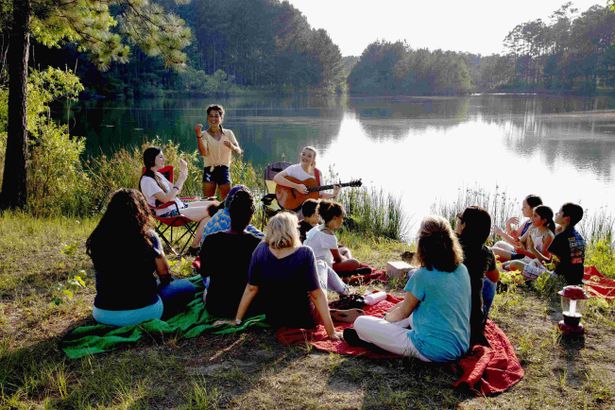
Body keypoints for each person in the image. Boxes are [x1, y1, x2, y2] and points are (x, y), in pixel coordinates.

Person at [346, 216, 471, 362]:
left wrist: (385, 319)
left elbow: (403, 313)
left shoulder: (423, 275)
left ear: (423, 245)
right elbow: (408, 307)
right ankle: (379, 336)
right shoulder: (462, 269)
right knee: (409, 312)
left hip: (432, 350)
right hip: (461, 345)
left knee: (360, 322)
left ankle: (372, 339)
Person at [86, 189, 196, 327]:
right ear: (141, 210)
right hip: (144, 313)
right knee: (188, 287)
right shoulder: (147, 237)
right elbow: (164, 273)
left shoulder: (98, 237)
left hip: (103, 314)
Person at [232, 212, 342, 340]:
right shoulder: (304, 253)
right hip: (303, 319)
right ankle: (344, 290)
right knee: (322, 266)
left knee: (320, 266)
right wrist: (331, 333)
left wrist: (238, 319)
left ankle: (342, 291)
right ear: (292, 230)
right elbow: (316, 295)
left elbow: (251, 288)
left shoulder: (260, 250)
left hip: (275, 319)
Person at [139, 147, 218, 256]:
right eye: (161, 157)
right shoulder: (147, 180)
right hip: (169, 213)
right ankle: (194, 248)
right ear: (152, 160)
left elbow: (176, 190)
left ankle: (200, 245)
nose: (164, 159)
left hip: (177, 206)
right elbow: (166, 199)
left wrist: (183, 174)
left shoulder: (158, 175)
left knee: (216, 204)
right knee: (213, 211)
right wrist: (180, 178)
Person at [199, 190, 262, 318]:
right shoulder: (257, 244)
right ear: (251, 217)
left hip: (217, 306)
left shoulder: (211, 240)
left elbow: (204, 272)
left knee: (206, 291)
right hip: (250, 308)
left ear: (230, 214)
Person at [455, 206, 499, 345]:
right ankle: (482, 313)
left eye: (459, 219)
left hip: (448, 312)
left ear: (464, 225)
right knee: (490, 281)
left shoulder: (448, 245)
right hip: (472, 321)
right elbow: (495, 278)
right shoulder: (487, 252)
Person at [195, 104, 242, 200]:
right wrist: (198, 136)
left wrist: (232, 146)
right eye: (211, 116)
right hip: (209, 169)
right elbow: (203, 153)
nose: (213, 118)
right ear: (207, 118)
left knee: (227, 201)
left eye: (216, 116)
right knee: (208, 201)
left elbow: (238, 151)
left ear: (221, 118)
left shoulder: (228, 133)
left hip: (224, 169)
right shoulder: (203, 134)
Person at [304, 200, 362, 275]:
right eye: (342, 218)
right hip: (319, 267)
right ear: (335, 218)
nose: (342, 221)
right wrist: (346, 259)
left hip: (311, 263)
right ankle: (348, 272)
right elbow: (338, 259)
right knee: (355, 262)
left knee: (345, 250)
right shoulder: (328, 234)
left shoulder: (318, 228)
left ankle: (348, 271)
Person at [273, 146, 339, 211]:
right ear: (300, 155)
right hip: (292, 206)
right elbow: (276, 178)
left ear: (313, 160)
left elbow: (320, 195)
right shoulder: (293, 169)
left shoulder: (317, 173)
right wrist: (296, 187)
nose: (305, 157)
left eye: (309, 156)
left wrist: (333, 194)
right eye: (303, 154)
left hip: (309, 209)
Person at [503, 205, 556, 278]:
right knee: (503, 266)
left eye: (535, 216)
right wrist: (516, 238)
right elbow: (522, 244)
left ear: (544, 220)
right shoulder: (532, 229)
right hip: (526, 260)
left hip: (537, 265)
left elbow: (543, 261)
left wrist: (524, 252)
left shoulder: (548, 235)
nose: (532, 218)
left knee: (511, 266)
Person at [492, 194, 543, 262]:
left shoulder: (534, 225)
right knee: (499, 243)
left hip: (524, 256)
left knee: (492, 251)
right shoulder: (528, 222)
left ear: (533, 208)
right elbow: (514, 237)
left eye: (524, 207)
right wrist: (508, 224)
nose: (522, 209)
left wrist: (501, 233)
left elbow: (517, 244)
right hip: (520, 251)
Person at [546, 203, 586, 285]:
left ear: (566, 219)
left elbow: (553, 262)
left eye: (559, 212)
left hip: (563, 278)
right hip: (577, 278)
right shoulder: (579, 237)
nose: (556, 214)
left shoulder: (561, 237)